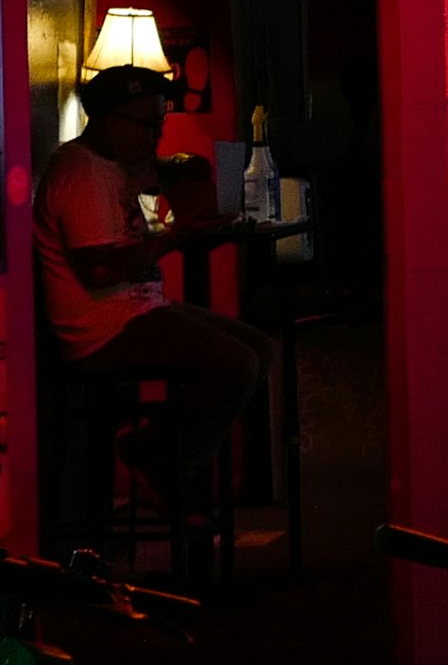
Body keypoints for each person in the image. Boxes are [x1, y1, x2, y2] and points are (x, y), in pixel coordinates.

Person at [38, 66, 282, 515]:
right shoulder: (81, 174)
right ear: (110, 120)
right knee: (237, 363)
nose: (155, 136)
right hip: (102, 328)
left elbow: (146, 231)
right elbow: (101, 271)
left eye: (160, 124)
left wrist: (187, 211)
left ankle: (167, 456)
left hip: (138, 309)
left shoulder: (123, 166)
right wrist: (175, 235)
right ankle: (161, 457)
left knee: (260, 350)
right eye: (147, 126)